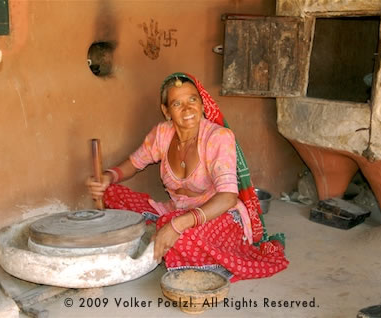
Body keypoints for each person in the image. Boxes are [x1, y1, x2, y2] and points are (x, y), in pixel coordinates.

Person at [86, 72, 288, 282]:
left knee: (182, 239)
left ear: (202, 104)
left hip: (218, 215)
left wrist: (176, 225)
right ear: (166, 111)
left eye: (193, 99)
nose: (188, 109)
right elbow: (135, 163)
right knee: (112, 193)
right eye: (177, 104)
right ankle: (163, 236)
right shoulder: (162, 134)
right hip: (177, 210)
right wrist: (107, 177)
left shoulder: (217, 137)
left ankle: (171, 242)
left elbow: (228, 197)